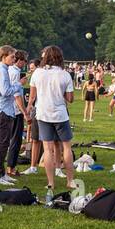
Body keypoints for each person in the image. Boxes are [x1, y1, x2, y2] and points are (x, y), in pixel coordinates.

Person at [28, 45, 77, 201]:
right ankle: (70, 180)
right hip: (60, 114)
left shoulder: (37, 73)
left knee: (47, 149)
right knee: (66, 148)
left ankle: (50, 183)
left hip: (42, 113)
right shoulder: (65, 75)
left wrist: (29, 109)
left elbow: (32, 96)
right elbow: (70, 99)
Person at [0, 46, 24, 186]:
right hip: (3, 111)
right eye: (12, 57)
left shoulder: (3, 70)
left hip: (4, 110)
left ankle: (2, 174)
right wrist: (19, 85)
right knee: (2, 145)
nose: (14, 59)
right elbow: (5, 91)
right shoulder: (1, 71)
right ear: (4, 56)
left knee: (4, 144)